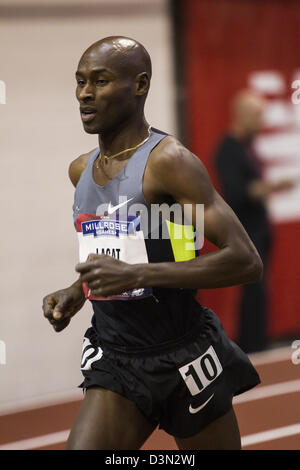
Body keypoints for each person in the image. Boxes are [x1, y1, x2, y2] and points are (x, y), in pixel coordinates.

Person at [42, 37, 263, 450]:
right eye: (80, 81)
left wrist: (138, 275)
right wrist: (78, 290)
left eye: (101, 81)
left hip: (183, 352)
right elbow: (120, 251)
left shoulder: (169, 164)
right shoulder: (80, 171)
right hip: (117, 354)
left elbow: (245, 260)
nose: (85, 93)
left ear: (139, 85)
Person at [214, 90, 293, 353]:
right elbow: (236, 192)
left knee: (259, 292)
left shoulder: (249, 147)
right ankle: (251, 346)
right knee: (252, 291)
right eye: (258, 115)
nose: (261, 122)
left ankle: (257, 343)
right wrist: (272, 186)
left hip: (259, 229)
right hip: (245, 231)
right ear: (242, 115)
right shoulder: (228, 149)